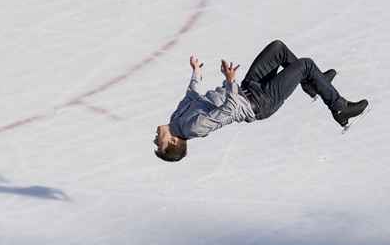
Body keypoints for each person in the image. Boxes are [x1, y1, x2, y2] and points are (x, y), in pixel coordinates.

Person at [154, 39, 368, 162]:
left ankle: (314, 85)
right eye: (159, 144)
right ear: (173, 141)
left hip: (249, 87)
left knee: (278, 49)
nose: (156, 139)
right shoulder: (194, 128)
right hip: (261, 103)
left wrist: (196, 72)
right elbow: (230, 109)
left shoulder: (176, 119)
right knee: (306, 65)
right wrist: (230, 82)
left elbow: (192, 95)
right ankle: (339, 109)